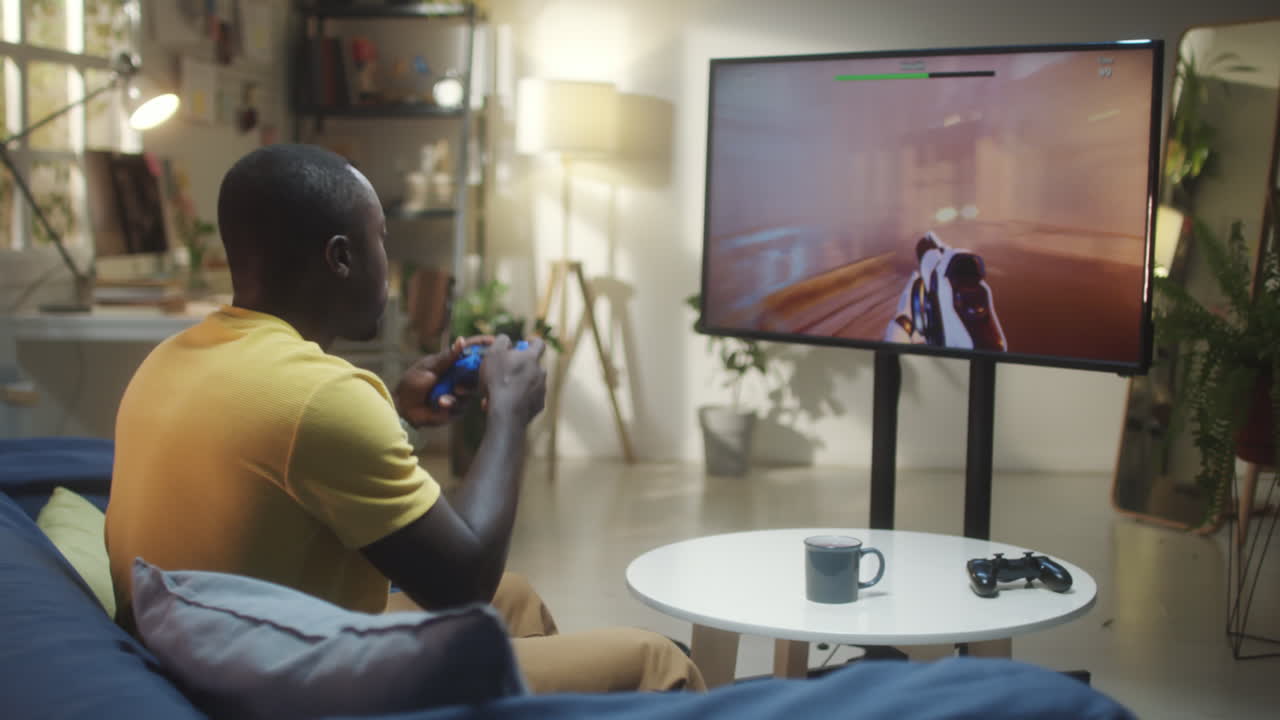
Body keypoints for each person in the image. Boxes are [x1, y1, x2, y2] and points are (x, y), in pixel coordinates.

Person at [104, 143, 704, 694]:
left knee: (513, 598)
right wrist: (509, 415)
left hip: (206, 650)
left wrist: (393, 412)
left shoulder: (171, 358)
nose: (387, 262)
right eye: (381, 239)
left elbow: (276, 449)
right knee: (657, 661)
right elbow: (460, 584)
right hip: (280, 690)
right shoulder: (323, 396)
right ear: (341, 257)